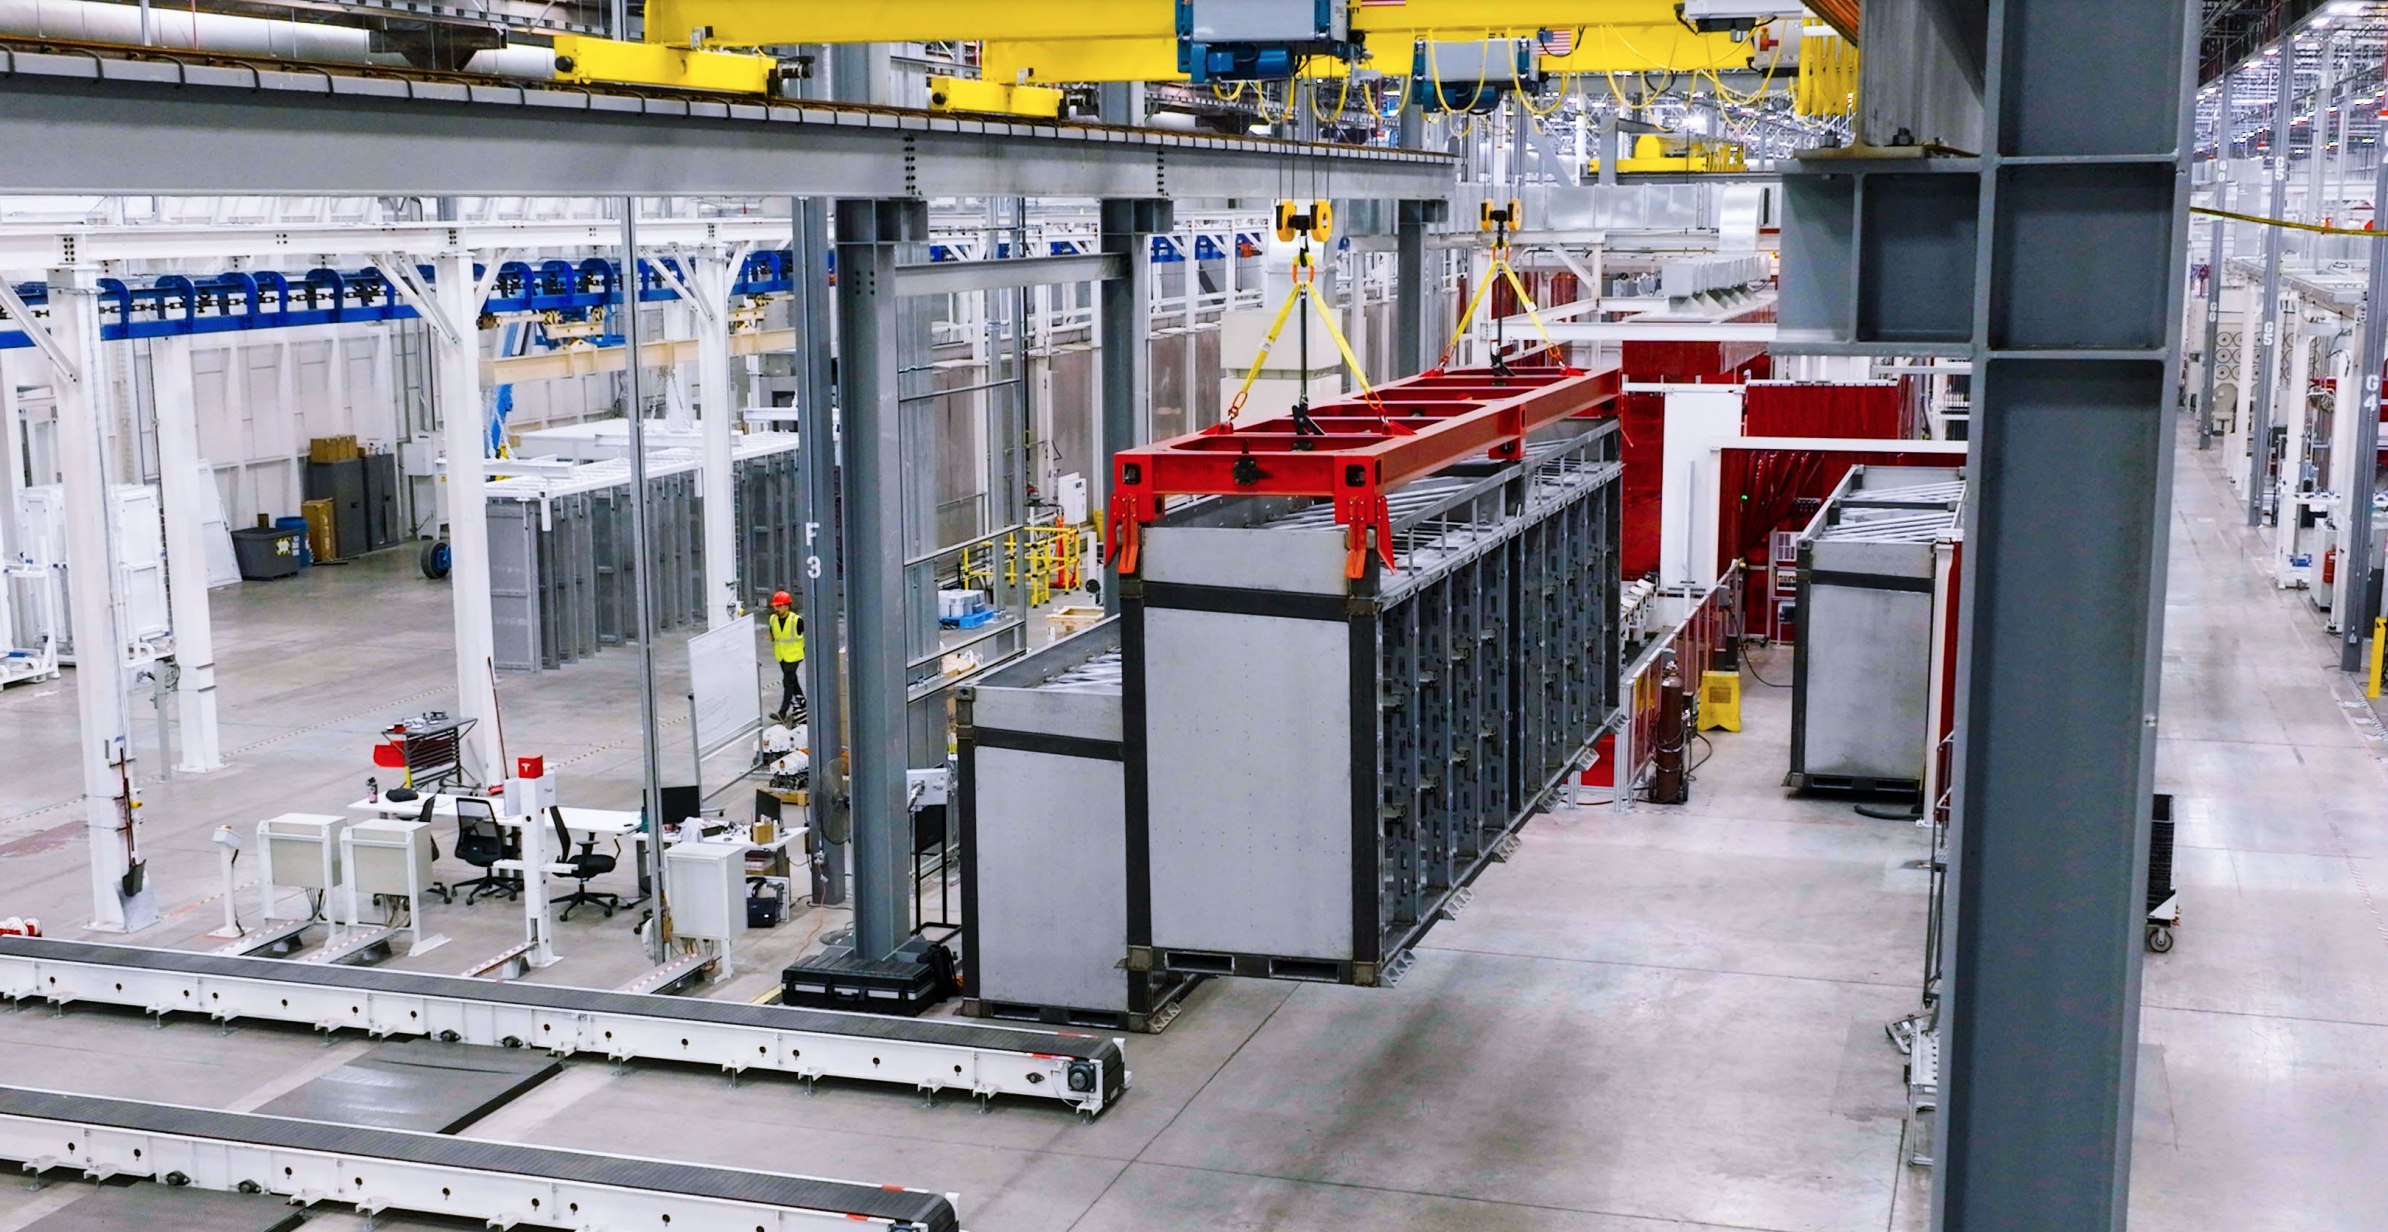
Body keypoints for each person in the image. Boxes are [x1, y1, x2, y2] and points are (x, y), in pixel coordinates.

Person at [768, 590, 805, 721]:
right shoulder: (773, 619)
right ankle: (803, 704)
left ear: (786, 606)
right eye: (775, 606)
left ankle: (782, 712)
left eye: (778, 606)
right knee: (793, 681)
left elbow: (807, 637)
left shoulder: (796, 620)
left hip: (794, 655)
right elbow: (773, 636)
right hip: (781, 655)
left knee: (787, 682)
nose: (776, 608)